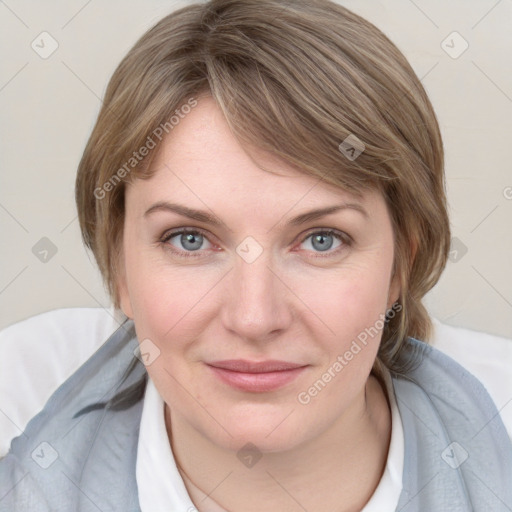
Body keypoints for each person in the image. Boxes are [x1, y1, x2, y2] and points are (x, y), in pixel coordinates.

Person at [1, 0, 511, 510]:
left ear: (400, 266)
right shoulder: (17, 403)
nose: (254, 317)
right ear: (120, 269)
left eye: (321, 240)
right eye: (190, 239)